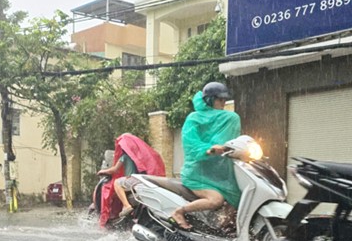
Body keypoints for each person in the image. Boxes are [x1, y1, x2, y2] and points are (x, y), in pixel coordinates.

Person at [170, 82, 249, 230]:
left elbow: (229, 143)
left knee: (240, 196)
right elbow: (191, 145)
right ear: (209, 99)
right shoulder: (194, 118)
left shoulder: (227, 118)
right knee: (216, 200)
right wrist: (208, 149)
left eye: (224, 100)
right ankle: (179, 212)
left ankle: (220, 229)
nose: (223, 103)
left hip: (220, 174)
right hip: (198, 173)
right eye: (220, 100)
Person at [96, 133, 166, 227]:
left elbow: (114, 170)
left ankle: (126, 205)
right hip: (144, 180)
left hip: (133, 180)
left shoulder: (124, 157)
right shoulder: (139, 155)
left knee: (117, 183)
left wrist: (103, 171)